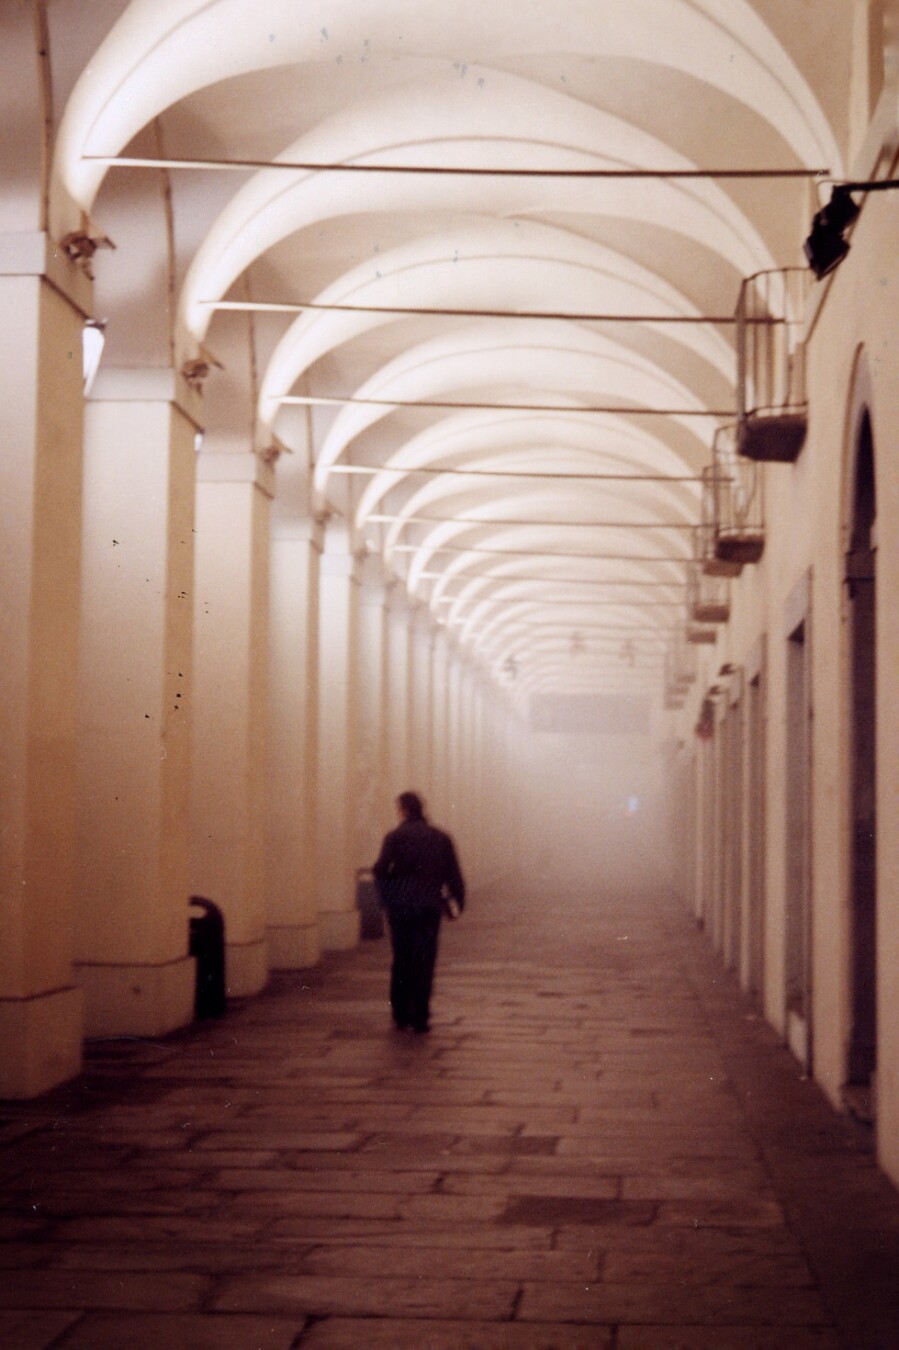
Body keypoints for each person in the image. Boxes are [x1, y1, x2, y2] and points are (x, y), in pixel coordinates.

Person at [372, 791, 465, 1034]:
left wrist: (388, 896)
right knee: (424, 959)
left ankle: (400, 1013)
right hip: (428, 907)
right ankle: (421, 1015)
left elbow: (380, 869)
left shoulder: (394, 836)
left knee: (402, 958)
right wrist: (457, 903)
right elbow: (453, 874)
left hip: (401, 908)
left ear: (403, 810)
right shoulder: (441, 837)